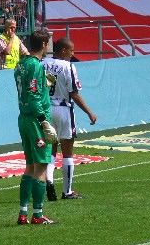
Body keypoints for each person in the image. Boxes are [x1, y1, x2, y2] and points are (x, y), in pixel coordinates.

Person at [42, 37, 97, 201]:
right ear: (63, 50)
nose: (73, 54)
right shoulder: (68, 66)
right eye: (71, 50)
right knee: (67, 152)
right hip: (64, 109)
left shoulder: (43, 63)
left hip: (46, 109)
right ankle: (67, 191)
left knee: (50, 149)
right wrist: (89, 112)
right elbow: (74, 93)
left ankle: (49, 180)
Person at [14, 28, 57, 225]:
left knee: (30, 167)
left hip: (23, 118)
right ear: (44, 45)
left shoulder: (21, 63)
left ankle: (23, 213)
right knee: (41, 167)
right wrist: (43, 120)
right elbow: (33, 95)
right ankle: (38, 215)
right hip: (35, 120)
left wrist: (43, 85)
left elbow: (28, 89)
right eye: (48, 43)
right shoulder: (36, 65)